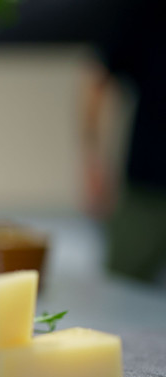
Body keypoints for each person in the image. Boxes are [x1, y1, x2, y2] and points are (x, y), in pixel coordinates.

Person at [81, 0, 166, 284]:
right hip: (148, 189)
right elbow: (98, 79)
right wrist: (93, 163)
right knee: (122, 285)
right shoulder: (142, 11)